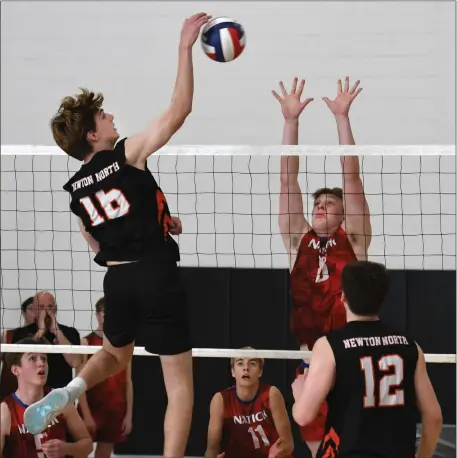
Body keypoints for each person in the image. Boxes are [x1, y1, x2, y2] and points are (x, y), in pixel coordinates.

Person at [23, 12, 211, 458]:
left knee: (115, 354)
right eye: (103, 116)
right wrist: (185, 48)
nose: (111, 117)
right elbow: (179, 110)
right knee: (179, 382)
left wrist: (159, 225)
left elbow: (99, 244)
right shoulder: (126, 154)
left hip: (118, 281)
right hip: (156, 274)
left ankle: (70, 389)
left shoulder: (75, 191)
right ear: (93, 134)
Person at [272, 76, 371, 456]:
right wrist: (290, 121)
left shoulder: (356, 240)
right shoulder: (298, 239)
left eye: (330, 204)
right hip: (311, 361)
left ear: (344, 214)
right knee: (317, 448)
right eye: (318, 204)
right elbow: (287, 180)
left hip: (350, 357)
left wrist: (342, 118)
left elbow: (352, 178)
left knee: (355, 446)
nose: (320, 207)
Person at [291, 260, 443, 458]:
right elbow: (434, 416)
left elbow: (303, 416)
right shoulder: (410, 346)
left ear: (342, 296)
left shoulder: (329, 346)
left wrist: (299, 393)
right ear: (382, 297)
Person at [0, 337, 93, 458]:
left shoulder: (59, 399)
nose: (41, 363)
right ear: (16, 370)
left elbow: (88, 445)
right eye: (32, 358)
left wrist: (66, 449)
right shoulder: (5, 410)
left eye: (44, 358)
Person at [205, 348, 294, 458]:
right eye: (240, 363)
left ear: (260, 371)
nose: (246, 368)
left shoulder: (271, 394)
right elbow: (212, 449)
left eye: (252, 364)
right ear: (233, 371)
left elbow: (288, 444)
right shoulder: (220, 400)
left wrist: (275, 455)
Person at [77, 297, 133, 458]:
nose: (108, 316)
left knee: (104, 453)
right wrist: (86, 415)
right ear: (97, 315)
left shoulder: (125, 345)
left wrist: (128, 415)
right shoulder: (86, 342)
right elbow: (79, 381)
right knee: (81, 450)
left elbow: (128, 382)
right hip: (92, 407)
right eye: (104, 312)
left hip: (114, 408)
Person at [3, 291, 82, 391]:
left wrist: (57, 332)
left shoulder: (70, 332)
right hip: (30, 393)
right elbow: (18, 359)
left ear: (55, 309)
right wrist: (40, 332)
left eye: (49, 307)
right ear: (35, 310)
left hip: (60, 393)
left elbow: (75, 362)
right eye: (41, 307)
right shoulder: (20, 333)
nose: (46, 311)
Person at [1, 297, 35, 400]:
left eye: (39, 309)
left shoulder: (47, 338)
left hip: (35, 392)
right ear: (24, 313)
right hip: (9, 390)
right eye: (31, 308)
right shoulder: (7, 335)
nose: (35, 312)